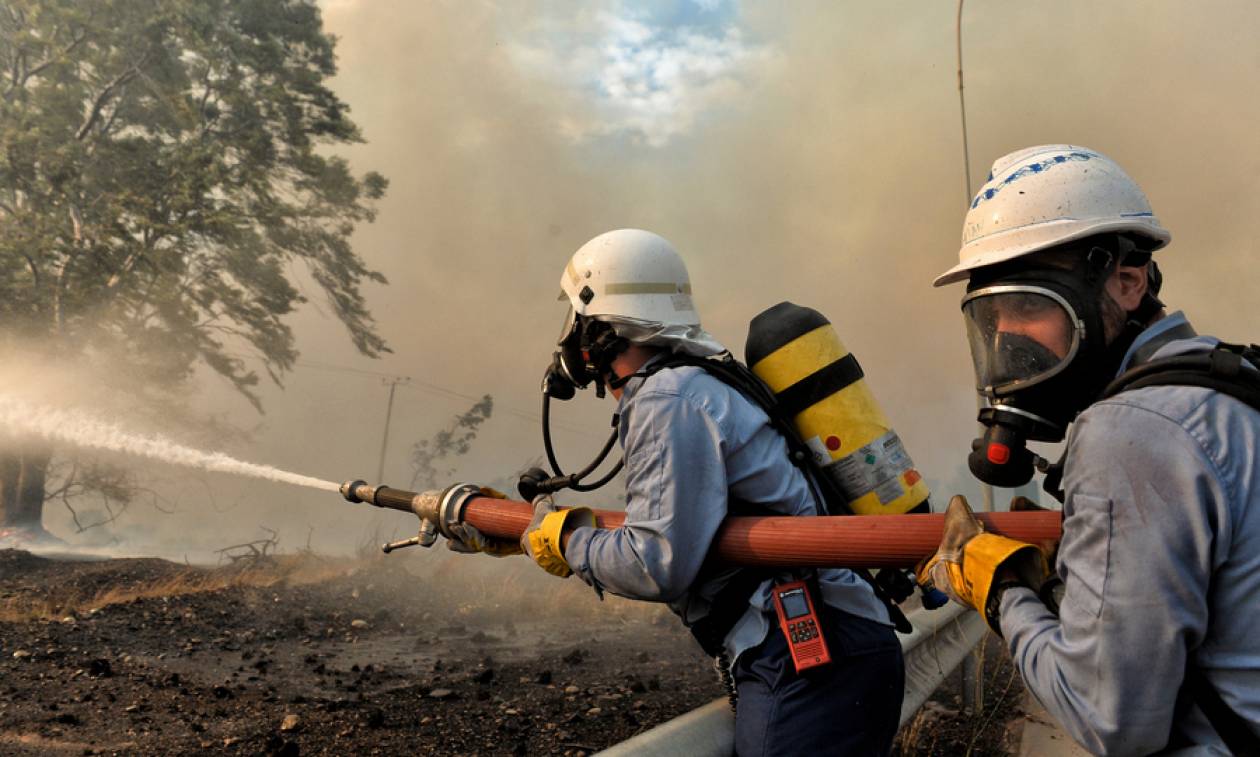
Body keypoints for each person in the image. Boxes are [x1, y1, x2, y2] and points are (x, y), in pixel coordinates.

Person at [452, 228, 904, 756]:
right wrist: (530, 533)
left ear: (601, 328)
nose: (568, 339)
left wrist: (566, 543)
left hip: (812, 656)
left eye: (575, 319)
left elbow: (655, 561)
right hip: (827, 646)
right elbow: (670, 522)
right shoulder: (694, 383)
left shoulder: (667, 399)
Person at [920, 145, 1260, 755]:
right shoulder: (1227, 392)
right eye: (992, 315)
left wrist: (1001, 590)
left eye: (1028, 304)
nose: (1007, 338)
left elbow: (1111, 720)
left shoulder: (1132, 431)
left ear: (1127, 282)